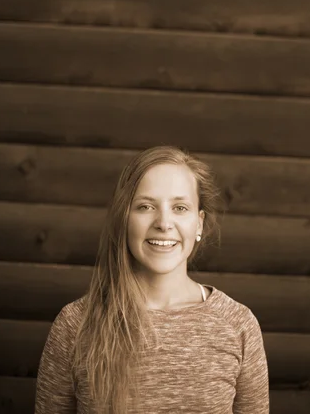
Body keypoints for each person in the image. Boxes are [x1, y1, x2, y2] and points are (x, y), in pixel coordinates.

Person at [35, 145, 269, 414]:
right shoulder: (74, 324)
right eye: (145, 206)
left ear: (199, 224)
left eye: (180, 207)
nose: (164, 222)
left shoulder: (238, 324)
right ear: (124, 219)